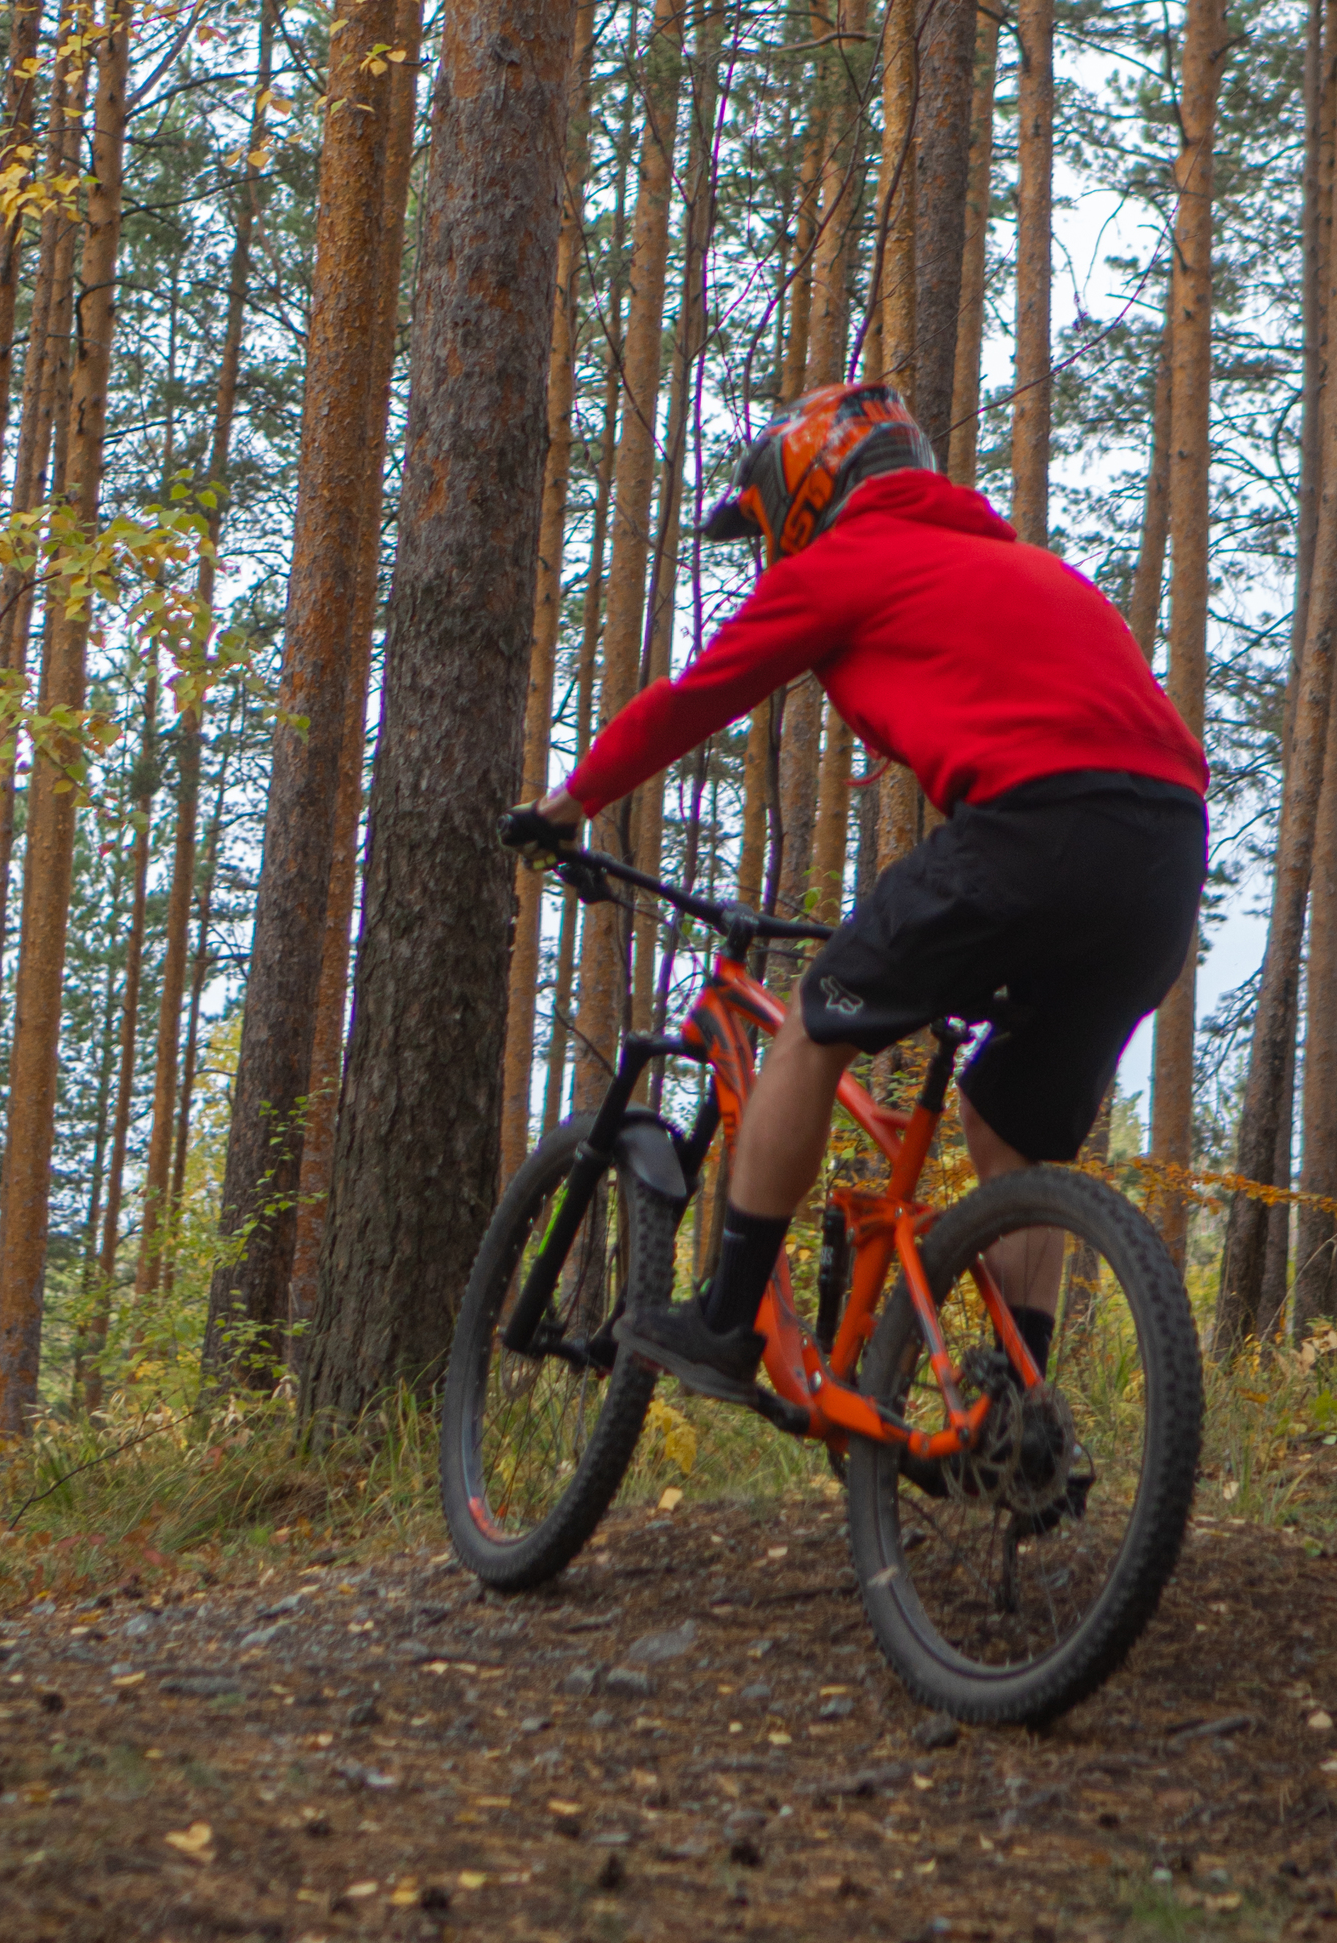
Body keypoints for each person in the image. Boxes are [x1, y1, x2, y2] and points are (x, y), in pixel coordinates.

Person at [509, 379, 1207, 1404]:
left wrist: (568, 803)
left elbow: (694, 697)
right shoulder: (1024, 566)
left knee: (810, 1024)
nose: (766, 555)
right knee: (1007, 1119)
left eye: (762, 531)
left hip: (1034, 824)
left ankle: (718, 1323)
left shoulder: (847, 559)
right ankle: (1015, 1409)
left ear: (804, 495)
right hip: (1161, 860)